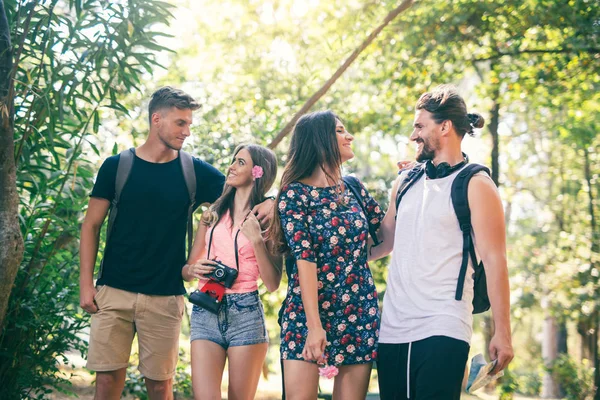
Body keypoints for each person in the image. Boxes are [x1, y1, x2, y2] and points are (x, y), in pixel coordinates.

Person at [79, 87, 272, 399]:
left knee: (159, 385)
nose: (187, 131)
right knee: (106, 383)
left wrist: (273, 202)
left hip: (165, 296)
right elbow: (91, 225)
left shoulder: (194, 171)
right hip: (113, 291)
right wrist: (85, 283)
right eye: (181, 123)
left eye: (189, 124)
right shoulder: (117, 166)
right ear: (157, 120)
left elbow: (247, 190)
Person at [369, 85, 514, 399]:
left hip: (443, 325)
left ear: (445, 127)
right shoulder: (405, 181)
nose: (413, 135)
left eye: (420, 126)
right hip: (392, 327)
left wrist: (503, 332)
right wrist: (320, 248)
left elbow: (495, 259)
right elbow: (383, 242)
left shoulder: (477, 184)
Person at [269, 110, 384, 400]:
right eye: (341, 130)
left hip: (358, 310)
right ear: (321, 139)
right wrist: (314, 326)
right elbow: (305, 259)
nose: (350, 136)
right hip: (306, 314)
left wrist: (403, 187)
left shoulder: (355, 187)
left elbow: (385, 237)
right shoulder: (293, 194)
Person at [182, 143, 282, 400]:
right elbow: (186, 269)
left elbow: (272, 284)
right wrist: (194, 268)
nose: (231, 166)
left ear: (258, 172)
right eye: (233, 160)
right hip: (206, 306)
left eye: (241, 162)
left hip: (246, 313)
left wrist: (257, 240)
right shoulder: (211, 215)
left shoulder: (269, 219)